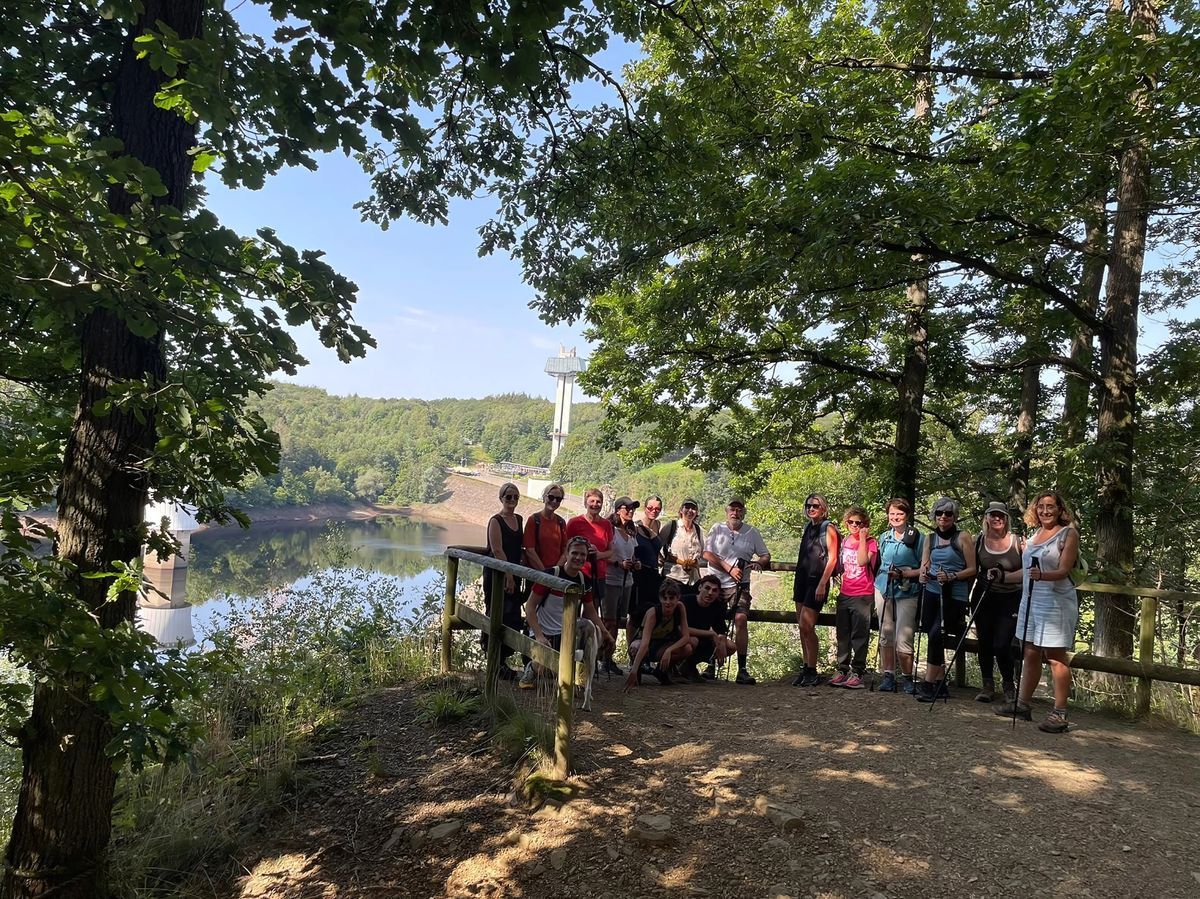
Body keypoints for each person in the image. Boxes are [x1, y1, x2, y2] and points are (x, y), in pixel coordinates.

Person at [997, 491, 1081, 733]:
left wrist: (1041, 575)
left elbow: (1064, 570)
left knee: (1055, 657)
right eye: (1041, 506)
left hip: (1055, 602)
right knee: (1030, 652)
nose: (1045, 511)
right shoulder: (1034, 536)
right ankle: (1023, 705)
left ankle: (1060, 712)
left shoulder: (1068, 534)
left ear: (1060, 509)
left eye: (1051, 506)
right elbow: (1026, 572)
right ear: (1035, 510)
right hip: (1031, 600)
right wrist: (1002, 575)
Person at [520, 536, 614, 688]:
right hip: (544, 632)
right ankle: (531, 668)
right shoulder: (551, 575)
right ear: (567, 553)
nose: (578, 558)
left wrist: (604, 632)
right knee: (547, 668)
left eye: (583, 554)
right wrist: (538, 635)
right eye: (575, 553)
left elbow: (590, 611)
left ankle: (580, 673)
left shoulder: (584, 581)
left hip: (567, 633)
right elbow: (530, 606)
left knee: (589, 627)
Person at [703, 496, 770, 685]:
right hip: (716, 583)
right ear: (727, 511)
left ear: (744, 512)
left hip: (741, 586)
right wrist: (728, 567)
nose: (735, 512)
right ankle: (711, 664)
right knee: (714, 622)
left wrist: (759, 563)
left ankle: (742, 668)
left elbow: (765, 554)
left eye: (739, 510)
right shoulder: (717, 529)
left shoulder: (752, 532)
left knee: (740, 620)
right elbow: (706, 553)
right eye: (732, 509)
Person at [916, 497, 977, 702]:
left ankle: (928, 683)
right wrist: (923, 574)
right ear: (934, 516)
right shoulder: (929, 538)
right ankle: (941, 685)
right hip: (932, 592)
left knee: (936, 635)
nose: (943, 517)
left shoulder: (963, 537)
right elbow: (925, 564)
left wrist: (952, 576)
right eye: (940, 513)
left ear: (954, 516)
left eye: (948, 514)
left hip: (954, 595)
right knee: (931, 634)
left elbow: (972, 569)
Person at [973, 501, 1023, 703]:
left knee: (1002, 643)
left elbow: (1027, 571)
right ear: (986, 518)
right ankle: (987, 685)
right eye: (993, 515)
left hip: (1010, 597)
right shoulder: (979, 541)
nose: (997, 519)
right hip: (984, 595)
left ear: (1006, 519)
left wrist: (1004, 576)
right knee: (984, 641)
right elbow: (972, 569)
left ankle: (1009, 684)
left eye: (1001, 516)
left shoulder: (1018, 542)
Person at [873, 498, 924, 694]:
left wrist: (903, 574)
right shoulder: (884, 537)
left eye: (900, 514)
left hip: (907, 590)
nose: (895, 517)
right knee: (886, 633)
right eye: (892, 513)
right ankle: (888, 676)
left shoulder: (918, 538)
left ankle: (907, 677)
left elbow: (923, 568)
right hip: (884, 587)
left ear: (907, 515)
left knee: (904, 634)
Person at [791, 494, 839, 687]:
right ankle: (806, 667)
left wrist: (822, 583)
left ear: (823, 508)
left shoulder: (828, 528)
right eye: (809, 506)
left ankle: (812, 669)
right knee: (801, 626)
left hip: (816, 582)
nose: (811, 509)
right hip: (802, 580)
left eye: (815, 506)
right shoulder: (808, 528)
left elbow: (833, 558)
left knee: (807, 625)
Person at [829, 507, 879, 689]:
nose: (855, 526)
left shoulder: (871, 542)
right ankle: (842, 669)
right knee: (843, 634)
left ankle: (857, 671)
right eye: (851, 522)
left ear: (865, 524)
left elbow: (862, 561)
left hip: (863, 594)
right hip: (845, 592)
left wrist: (863, 538)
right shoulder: (845, 541)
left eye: (859, 523)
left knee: (859, 634)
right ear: (846, 523)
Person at [483, 482, 526, 679]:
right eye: (508, 497)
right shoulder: (495, 521)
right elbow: (497, 550)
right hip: (498, 575)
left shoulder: (519, 519)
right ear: (501, 498)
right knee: (496, 612)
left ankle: (504, 659)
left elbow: (520, 548)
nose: (512, 501)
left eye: (515, 497)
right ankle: (494, 660)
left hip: (514, 573)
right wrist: (508, 575)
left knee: (512, 615)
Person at [624, 579, 694, 689]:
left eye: (671, 599)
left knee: (688, 648)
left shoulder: (680, 608)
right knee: (636, 649)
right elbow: (644, 643)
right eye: (664, 598)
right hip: (644, 644)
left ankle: (662, 670)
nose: (668, 602)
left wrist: (669, 650)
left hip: (662, 644)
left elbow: (686, 637)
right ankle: (639, 667)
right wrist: (633, 670)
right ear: (660, 598)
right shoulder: (653, 613)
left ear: (678, 598)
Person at [601, 497, 640, 675]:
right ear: (618, 510)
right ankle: (602, 656)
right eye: (627, 508)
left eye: (632, 508)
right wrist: (618, 564)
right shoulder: (610, 530)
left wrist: (635, 564)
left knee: (619, 621)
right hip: (611, 580)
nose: (631, 511)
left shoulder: (631, 532)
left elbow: (632, 556)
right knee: (609, 620)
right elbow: (604, 554)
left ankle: (609, 657)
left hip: (627, 582)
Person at [566, 487, 614, 614]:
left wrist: (599, 555)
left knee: (592, 611)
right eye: (592, 501)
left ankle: (588, 634)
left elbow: (610, 551)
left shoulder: (606, 525)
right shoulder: (574, 522)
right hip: (578, 572)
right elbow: (565, 547)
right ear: (585, 502)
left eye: (598, 502)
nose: (595, 505)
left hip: (598, 574)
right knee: (572, 610)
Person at [683, 574, 736, 679]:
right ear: (699, 588)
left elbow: (721, 630)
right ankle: (679, 665)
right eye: (707, 588)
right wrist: (711, 634)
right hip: (681, 638)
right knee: (693, 641)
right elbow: (681, 629)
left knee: (730, 646)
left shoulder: (717, 606)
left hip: (703, 639)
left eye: (714, 590)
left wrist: (721, 641)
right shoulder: (686, 602)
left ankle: (689, 665)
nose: (710, 593)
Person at [630, 495, 664, 645]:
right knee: (635, 615)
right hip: (639, 574)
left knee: (651, 613)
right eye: (650, 508)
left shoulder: (658, 525)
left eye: (657, 508)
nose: (653, 511)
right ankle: (632, 650)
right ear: (645, 508)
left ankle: (644, 650)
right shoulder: (635, 527)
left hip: (654, 574)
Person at [659, 498, 705, 597]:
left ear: (696, 512)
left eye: (693, 508)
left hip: (693, 580)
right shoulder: (672, 526)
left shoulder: (698, 530)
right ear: (681, 510)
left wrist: (694, 562)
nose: (690, 511)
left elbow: (701, 553)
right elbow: (656, 546)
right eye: (687, 507)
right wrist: (662, 560)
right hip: (673, 577)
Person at [523, 483, 568, 572]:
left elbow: (565, 550)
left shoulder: (561, 522)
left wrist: (555, 571)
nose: (554, 501)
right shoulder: (534, 520)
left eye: (558, 499)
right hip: (536, 573)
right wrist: (545, 573)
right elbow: (529, 550)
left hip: (555, 573)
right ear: (544, 497)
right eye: (551, 497)